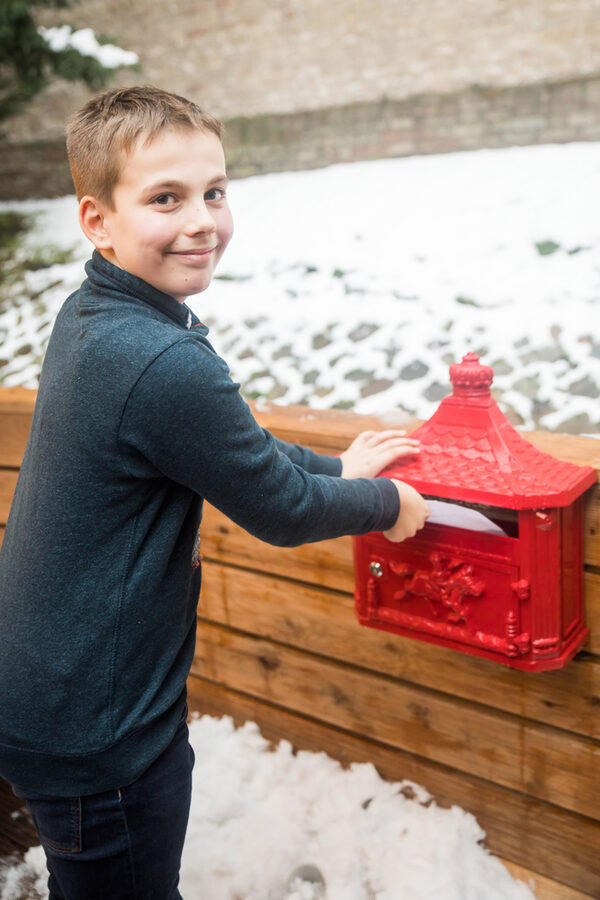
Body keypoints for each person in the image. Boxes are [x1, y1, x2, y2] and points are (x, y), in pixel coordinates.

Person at [0, 86, 429, 899]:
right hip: (99, 727)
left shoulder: (95, 314)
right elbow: (280, 507)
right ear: (98, 220)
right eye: (166, 198)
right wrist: (390, 506)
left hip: (49, 688)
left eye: (215, 191)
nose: (202, 220)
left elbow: (232, 448)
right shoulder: (159, 361)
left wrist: (340, 469)